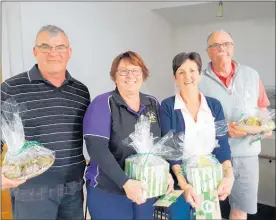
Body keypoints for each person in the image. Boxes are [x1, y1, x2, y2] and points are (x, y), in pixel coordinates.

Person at [1, 25, 90, 220]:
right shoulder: (11, 88)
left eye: (60, 47)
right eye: (45, 47)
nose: (53, 53)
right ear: (35, 52)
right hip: (31, 192)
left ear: (69, 52)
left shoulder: (81, 91)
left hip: (72, 190)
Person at [83, 51, 174, 220]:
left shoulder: (153, 103)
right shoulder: (103, 103)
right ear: (114, 77)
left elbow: (161, 144)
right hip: (109, 191)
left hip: (145, 191)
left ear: (143, 75)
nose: (130, 75)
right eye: (123, 71)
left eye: (136, 70)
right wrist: (125, 182)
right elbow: (97, 149)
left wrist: (164, 173)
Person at [199, 30, 272, 220]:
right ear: (208, 51)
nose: (222, 48)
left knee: (240, 210)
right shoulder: (198, 78)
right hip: (210, 156)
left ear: (233, 47)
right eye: (216, 45)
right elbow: (190, 120)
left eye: (227, 44)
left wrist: (263, 127)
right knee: (206, 207)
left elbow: (263, 109)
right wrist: (224, 129)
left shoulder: (252, 75)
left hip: (246, 155)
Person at [160, 52, 234, 220]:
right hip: (179, 180)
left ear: (200, 75)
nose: (188, 76)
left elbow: (222, 143)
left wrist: (229, 175)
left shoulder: (215, 105)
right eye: (181, 72)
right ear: (175, 78)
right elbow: (171, 150)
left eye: (192, 70)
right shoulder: (167, 106)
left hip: (209, 178)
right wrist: (184, 184)